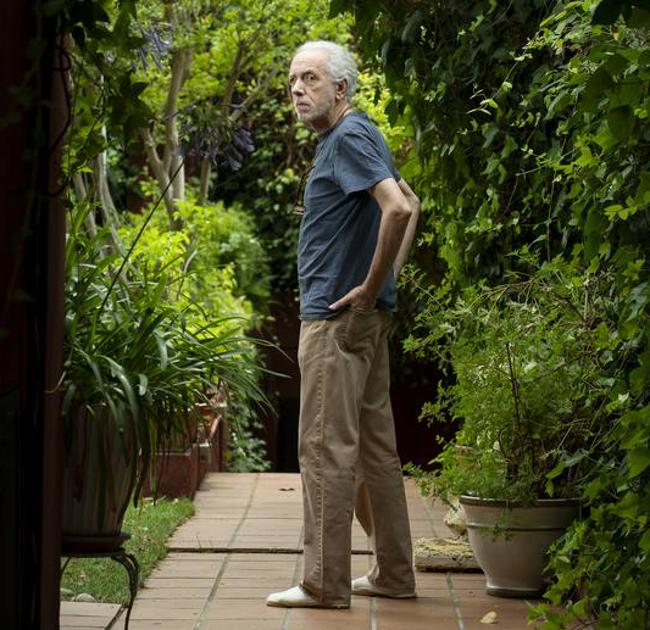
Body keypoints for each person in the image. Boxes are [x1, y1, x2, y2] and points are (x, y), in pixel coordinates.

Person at [266, 40, 420, 609]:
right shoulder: (357, 134)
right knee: (375, 450)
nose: (298, 90)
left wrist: (370, 288)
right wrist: (381, 289)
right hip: (362, 318)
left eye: (310, 79)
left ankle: (323, 583)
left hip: (336, 319)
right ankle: (395, 573)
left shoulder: (349, 135)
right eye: (292, 81)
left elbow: (399, 209)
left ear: (341, 89)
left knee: (323, 450)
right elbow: (412, 200)